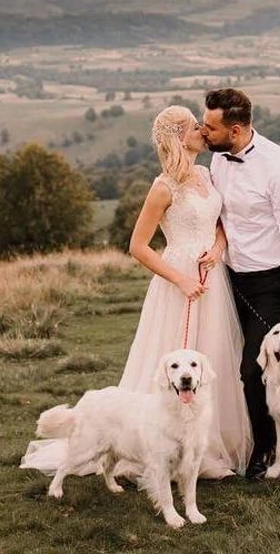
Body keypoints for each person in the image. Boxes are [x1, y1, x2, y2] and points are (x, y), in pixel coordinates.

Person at [21, 105, 251, 478]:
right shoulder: (163, 187)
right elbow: (138, 246)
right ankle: (157, 447)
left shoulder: (207, 175)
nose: (202, 131)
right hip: (179, 279)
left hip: (212, 276)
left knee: (214, 357)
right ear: (179, 138)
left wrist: (219, 248)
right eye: (195, 127)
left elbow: (221, 223)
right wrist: (180, 279)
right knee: (174, 357)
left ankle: (209, 445)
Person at [201, 88, 280, 481]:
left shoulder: (278, 165)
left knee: (255, 368)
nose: (203, 132)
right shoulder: (216, 160)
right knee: (224, 362)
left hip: (270, 283)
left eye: (209, 127)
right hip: (227, 279)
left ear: (234, 130)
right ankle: (234, 438)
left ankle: (266, 451)